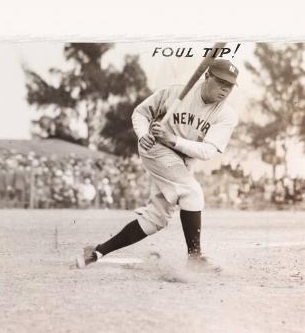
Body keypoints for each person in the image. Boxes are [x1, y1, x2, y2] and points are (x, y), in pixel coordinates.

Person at [76, 59, 239, 272]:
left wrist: (173, 140)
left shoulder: (226, 115)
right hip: (155, 148)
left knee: (156, 219)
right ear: (206, 77)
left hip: (182, 158)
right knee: (192, 192)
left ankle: (96, 251)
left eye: (230, 86)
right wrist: (143, 134)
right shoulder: (176, 93)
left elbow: (207, 151)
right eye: (221, 82)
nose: (225, 89)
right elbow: (141, 113)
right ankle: (195, 257)